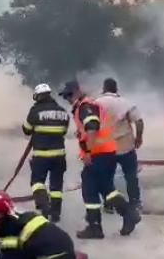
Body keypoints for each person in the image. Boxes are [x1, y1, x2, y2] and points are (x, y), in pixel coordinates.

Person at [59, 80, 140, 239]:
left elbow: (92, 127)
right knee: (105, 188)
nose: (67, 99)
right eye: (65, 97)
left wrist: (88, 151)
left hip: (99, 153)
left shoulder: (85, 107)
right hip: (106, 152)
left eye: (69, 95)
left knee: (90, 187)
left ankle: (96, 227)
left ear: (76, 92)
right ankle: (126, 215)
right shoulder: (86, 106)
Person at [21, 83, 70, 221]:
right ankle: (55, 214)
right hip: (59, 155)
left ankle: (44, 205)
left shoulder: (35, 111)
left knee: (37, 182)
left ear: (38, 96)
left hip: (41, 155)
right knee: (56, 186)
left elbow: (26, 129)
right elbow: (64, 131)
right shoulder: (62, 111)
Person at [95, 78, 145, 210]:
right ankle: (135, 202)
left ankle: (109, 203)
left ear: (104, 89)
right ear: (116, 89)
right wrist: (138, 138)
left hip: (104, 148)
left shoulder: (96, 104)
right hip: (125, 146)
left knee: (107, 177)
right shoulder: (125, 103)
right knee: (130, 175)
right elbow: (139, 121)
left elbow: (88, 125)